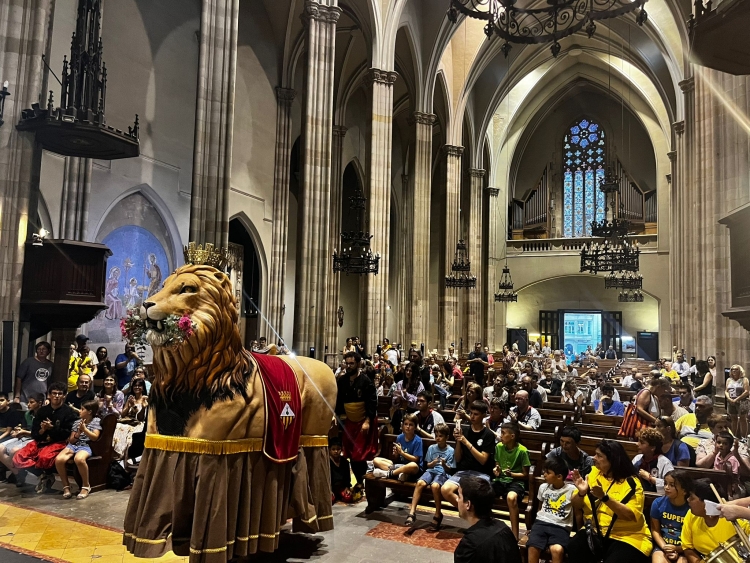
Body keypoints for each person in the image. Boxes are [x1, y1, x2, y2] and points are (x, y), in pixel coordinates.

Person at [569, 439, 653, 563]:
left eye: (599, 455)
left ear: (612, 461)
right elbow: (576, 504)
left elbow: (630, 515)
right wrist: (581, 493)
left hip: (627, 536)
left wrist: (605, 498)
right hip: (594, 531)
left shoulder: (631, 482)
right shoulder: (593, 473)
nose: (594, 457)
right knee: (574, 547)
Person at [12, 382, 76, 489]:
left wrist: (52, 428)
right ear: (49, 395)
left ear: (64, 395)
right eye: (54, 393)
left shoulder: (69, 412)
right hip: (40, 441)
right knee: (19, 457)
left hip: (58, 442)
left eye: (60, 394)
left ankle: (47, 475)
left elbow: (66, 434)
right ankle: (43, 474)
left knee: (44, 457)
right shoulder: (42, 411)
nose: (56, 396)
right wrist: (42, 430)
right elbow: (34, 433)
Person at [335, 351, 378, 493]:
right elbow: (338, 401)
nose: (349, 366)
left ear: (358, 364)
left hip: (362, 421)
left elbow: (372, 403)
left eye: (352, 363)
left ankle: (361, 480)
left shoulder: (366, 381)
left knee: (359, 454)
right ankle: (360, 480)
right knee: (349, 452)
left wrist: (367, 421)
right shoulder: (342, 380)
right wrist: (336, 416)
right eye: (347, 363)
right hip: (349, 421)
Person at [453, 476, 522, 563]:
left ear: (468, 504)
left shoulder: (469, 545)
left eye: (459, 496)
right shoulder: (503, 527)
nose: (456, 499)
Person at [440, 402, 497, 507]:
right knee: (445, 489)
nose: (472, 416)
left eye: (476, 414)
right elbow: (457, 458)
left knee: (474, 496)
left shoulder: (488, 435)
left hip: (481, 474)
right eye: (471, 413)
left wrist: (465, 441)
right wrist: (458, 441)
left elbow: (483, 460)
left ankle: (471, 515)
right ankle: (468, 512)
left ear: (484, 415)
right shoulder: (464, 430)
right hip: (463, 472)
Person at [681, 479, 750, 563]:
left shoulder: (737, 521)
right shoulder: (691, 515)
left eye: (692, 497)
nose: (688, 500)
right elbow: (687, 547)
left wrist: (742, 511)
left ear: (706, 503)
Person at [527, 456, 577, 563]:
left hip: (561, 526)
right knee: (533, 547)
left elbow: (578, 509)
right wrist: (535, 525)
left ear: (559, 476)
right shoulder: (543, 487)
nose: (544, 474)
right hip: (541, 523)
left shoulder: (572, 490)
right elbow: (540, 507)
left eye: (548, 473)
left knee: (557, 550)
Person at [406, 423, 454, 529]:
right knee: (420, 483)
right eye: (436, 435)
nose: (438, 438)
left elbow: (450, 469)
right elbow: (427, 464)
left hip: (442, 473)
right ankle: (412, 512)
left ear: (447, 437)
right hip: (431, 471)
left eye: (440, 436)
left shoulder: (451, 451)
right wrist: (432, 463)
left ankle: (438, 513)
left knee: (435, 486)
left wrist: (444, 464)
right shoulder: (432, 448)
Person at [54, 398, 102, 499]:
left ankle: (86, 486)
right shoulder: (77, 422)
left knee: (79, 459)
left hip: (86, 445)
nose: (79, 411)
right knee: (59, 459)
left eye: (82, 409)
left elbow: (95, 437)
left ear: (89, 412)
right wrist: (79, 433)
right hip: (74, 445)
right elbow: (71, 440)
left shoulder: (96, 421)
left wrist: (85, 430)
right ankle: (66, 486)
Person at [491, 422, 531, 538]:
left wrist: (512, 474)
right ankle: (488, 528)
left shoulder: (523, 451)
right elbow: (497, 467)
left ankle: (515, 534)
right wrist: (497, 471)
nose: (500, 435)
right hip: (501, 480)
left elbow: (525, 474)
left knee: (511, 498)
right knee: (483, 492)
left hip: (516, 482)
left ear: (512, 436)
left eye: (503, 433)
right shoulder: (498, 447)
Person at [650, 470, 690, 563]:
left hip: (686, 548)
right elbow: (655, 530)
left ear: (684, 490)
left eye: (672, 485)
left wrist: (678, 549)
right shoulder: (658, 503)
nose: (666, 487)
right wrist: (665, 547)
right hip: (663, 546)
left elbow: (694, 539)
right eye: (665, 483)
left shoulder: (691, 508)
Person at [372, 412, 422, 482]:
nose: (408, 427)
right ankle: (400, 474)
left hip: (411, 468)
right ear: (402, 425)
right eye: (406, 424)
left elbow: (415, 460)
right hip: (399, 465)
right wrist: (396, 454)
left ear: (415, 427)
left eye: (411, 425)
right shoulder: (400, 437)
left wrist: (402, 453)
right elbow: (396, 458)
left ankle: (388, 474)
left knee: (413, 465)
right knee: (376, 460)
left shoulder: (418, 440)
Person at [633, 428, 674, 494]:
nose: (637, 444)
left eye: (642, 443)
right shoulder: (637, 459)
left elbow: (671, 485)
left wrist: (650, 478)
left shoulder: (665, 463)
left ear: (652, 448)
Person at [13, 341, 54, 407]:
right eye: (39, 349)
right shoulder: (28, 362)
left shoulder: (50, 365)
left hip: (41, 400)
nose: (41, 351)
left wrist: (48, 397)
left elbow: (50, 383)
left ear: (48, 351)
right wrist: (17, 396)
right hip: (25, 398)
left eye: (44, 349)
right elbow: (19, 378)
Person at [329, 437, 357, 504]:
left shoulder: (345, 462)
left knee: (348, 498)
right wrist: (329, 490)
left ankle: (339, 496)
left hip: (341, 487)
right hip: (331, 487)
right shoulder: (327, 462)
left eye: (338, 449)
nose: (336, 451)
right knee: (330, 500)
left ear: (341, 450)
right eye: (333, 449)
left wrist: (347, 487)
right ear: (329, 450)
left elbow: (347, 477)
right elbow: (325, 479)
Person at [725, 364, 749, 438]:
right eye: (732, 369)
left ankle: (743, 437)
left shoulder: (744, 379)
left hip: (741, 401)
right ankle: (734, 436)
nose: (734, 371)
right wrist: (729, 398)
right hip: (731, 401)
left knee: (742, 419)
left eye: (736, 369)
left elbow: (746, 391)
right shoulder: (729, 380)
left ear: (740, 371)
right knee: (733, 419)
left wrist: (737, 399)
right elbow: (726, 391)